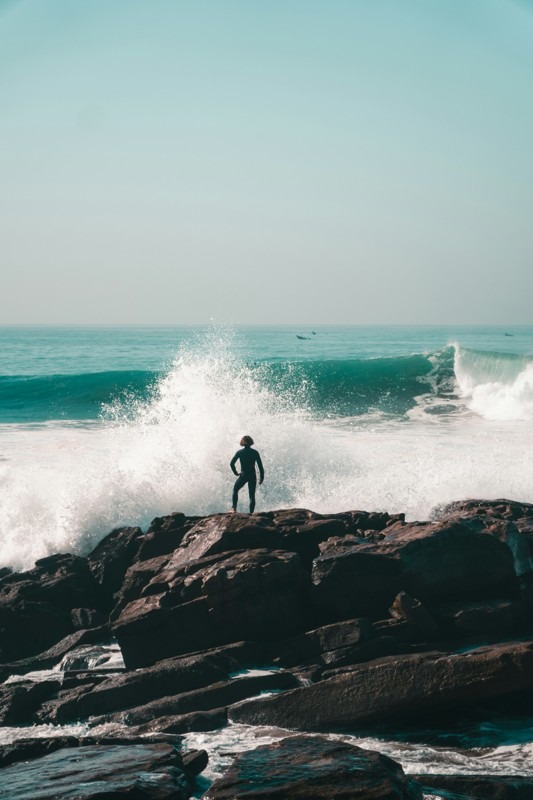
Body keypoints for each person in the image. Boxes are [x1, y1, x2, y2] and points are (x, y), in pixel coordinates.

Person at [230, 435, 264, 513]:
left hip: (243, 475)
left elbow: (231, 464)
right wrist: (261, 478)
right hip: (252, 475)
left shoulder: (240, 452)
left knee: (235, 490)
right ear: (251, 442)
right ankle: (251, 513)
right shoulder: (255, 452)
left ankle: (234, 508)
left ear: (242, 442)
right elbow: (260, 467)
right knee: (252, 496)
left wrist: (235, 473)